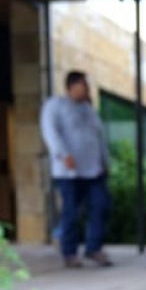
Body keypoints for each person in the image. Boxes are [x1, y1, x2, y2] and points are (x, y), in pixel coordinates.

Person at [40, 70, 112, 268]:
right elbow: (50, 132)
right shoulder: (55, 106)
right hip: (68, 172)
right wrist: (63, 155)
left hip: (94, 170)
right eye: (84, 85)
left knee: (101, 206)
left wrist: (105, 162)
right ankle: (69, 253)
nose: (87, 89)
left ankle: (94, 248)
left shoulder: (89, 110)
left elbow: (99, 137)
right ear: (71, 86)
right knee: (71, 212)